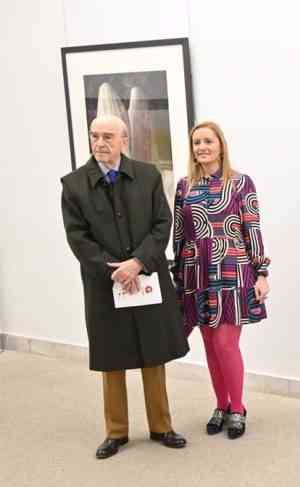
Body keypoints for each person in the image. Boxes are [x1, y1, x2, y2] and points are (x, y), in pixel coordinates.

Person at [61, 115, 190, 459]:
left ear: (124, 140)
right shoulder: (74, 185)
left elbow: (163, 224)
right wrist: (114, 270)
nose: (99, 142)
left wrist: (138, 263)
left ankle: (162, 426)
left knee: (154, 353)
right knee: (111, 357)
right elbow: (78, 238)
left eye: (107, 136)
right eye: (94, 136)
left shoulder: (148, 175)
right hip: (104, 283)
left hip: (146, 277)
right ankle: (116, 432)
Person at [172, 121, 270, 440]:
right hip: (195, 273)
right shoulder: (184, 185)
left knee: (227, 344)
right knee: (211, 347)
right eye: (196, 142)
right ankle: (221, 405)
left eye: (207, 141)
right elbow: (178, 234)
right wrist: (176, 278)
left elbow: (252, 229)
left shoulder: (241, 183)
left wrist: (262, 272)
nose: (201, 147)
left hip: (232, 270)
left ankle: (238, 408)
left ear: (220, 145)